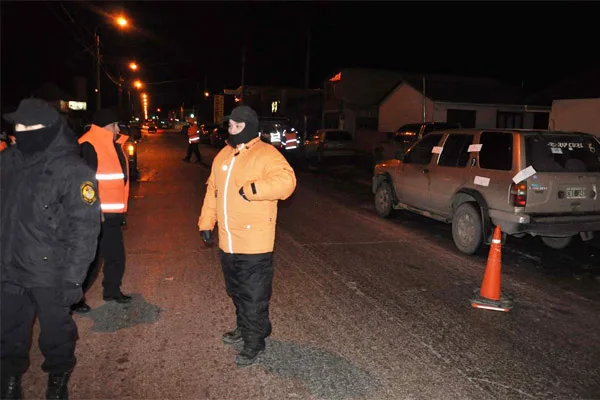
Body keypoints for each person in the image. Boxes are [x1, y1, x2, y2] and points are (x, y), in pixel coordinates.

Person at [0, 98, 102, 399]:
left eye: (29, 126)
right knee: (8, 333)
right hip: (8, 267)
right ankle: (9, 381)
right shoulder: (7, 161)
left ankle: (58, 377)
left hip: (50, 270)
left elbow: (85, 228)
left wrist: (74, 279)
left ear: (48, 129)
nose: (22, 132)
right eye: (18, 126)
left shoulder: (72, 169)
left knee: (56, 333)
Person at [197, 105, 296, 367]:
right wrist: (206, 222)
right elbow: (212, 192)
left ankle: (254, 341)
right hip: (228, 241)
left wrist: (252, 189)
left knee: (253, 294)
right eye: (230, 125)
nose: (232, 129)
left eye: (237, 125)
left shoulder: (266, 153)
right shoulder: (223, 156)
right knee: (237, 291)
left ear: (249, 126)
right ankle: (248, 328)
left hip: (255, 242)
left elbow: (287, 182)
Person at [71, 108, 132, 313]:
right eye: (116, 124)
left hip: (113, 213)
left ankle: (112, 291)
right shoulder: (89, 144)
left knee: (116, 255)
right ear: (108, 125)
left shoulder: (113, 144)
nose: (118, 128)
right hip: (97, 215)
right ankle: (74, 299)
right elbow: (85, 184)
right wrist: (95, 212)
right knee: (91, 259)